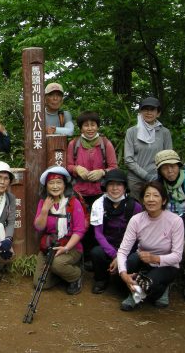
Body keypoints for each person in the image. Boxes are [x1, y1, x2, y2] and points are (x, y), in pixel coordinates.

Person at [117, 181, 184, 311]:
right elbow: (123, 251)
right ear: (143, 200)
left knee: (151, 285)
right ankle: (134, 292)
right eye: (147, 195)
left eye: (156, 195)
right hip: (144, 261)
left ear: (164, 200)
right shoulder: (136, 220)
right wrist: (123, 274)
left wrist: (155, 258)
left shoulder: (175, 221)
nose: (151, 199)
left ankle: (162, 287)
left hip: (166, 265)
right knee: (130, 261)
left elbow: (177, 256)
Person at [67, 111, 117, 268]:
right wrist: (76, 169)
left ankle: (97, 257)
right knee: (81, 224)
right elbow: (68, 166)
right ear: (81, 128)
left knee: (98, 224)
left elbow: (114, 167)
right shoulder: (74, 144)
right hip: (79, 193)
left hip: (99, 192)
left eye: (93, 125)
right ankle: (83, 256)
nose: (90, 128)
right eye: (86, 125)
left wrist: (102, 172)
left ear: (97, 126)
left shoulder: (105, 144)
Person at [33, 166, 86, 295]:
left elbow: (79, 230)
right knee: (40, 284)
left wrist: (66, 248)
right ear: (46, 186)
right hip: (50, 246)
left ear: (64, 184)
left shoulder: (73, 202)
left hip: (70, 246)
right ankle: (61, 274)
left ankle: (76, 275)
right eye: (51, 183)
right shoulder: (43, 202)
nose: (55, 186)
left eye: (59, 182)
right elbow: (38, 227)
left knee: (57, 264)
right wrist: (44, 210)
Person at [155, 149, 185, 303]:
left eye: (173, 166)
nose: (170, 170)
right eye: (165, 167)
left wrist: (176, 230)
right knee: (157, 240)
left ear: (179, 166)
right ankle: (164, 276)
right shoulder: (158, 184)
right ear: (160, 170)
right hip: (167, 221)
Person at [89, 169, 142, 294]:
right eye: (111, 184)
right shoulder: (98, 204)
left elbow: (138, 235)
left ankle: (124, 279)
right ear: (105, 186)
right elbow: (98, 234)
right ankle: (101, 279)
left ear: (125, 187)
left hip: (129, 247)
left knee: (122, 287)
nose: (114, 188)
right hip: (109, 246)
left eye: (119, 184)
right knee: (96, 252)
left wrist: (122, 255)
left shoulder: (135, 206)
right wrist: (115, 255)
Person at [124, 96, 172, 200]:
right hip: (135, 181)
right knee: (136, 208)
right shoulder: (131, 132)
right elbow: (128, 159)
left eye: (152, 109)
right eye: (145, 109)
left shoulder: (165, 132)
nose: (148, 112)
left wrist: (159, 176)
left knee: (155, 207)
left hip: (157, 179)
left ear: (158, 113)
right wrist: (146, 176)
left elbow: (169, 158)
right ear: (140, 112)